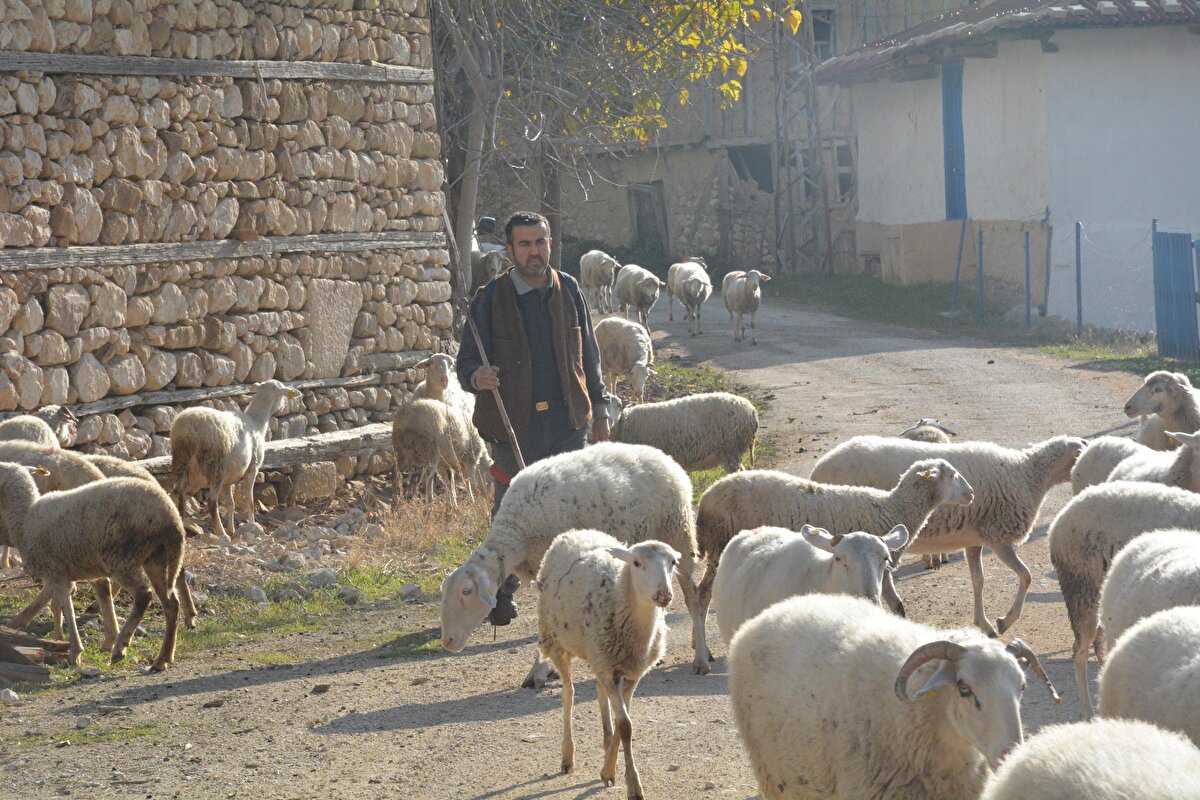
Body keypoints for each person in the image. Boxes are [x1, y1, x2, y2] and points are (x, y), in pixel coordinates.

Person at [456, 211, 611, 625]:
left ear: (550, 244)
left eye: (540, 242)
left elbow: (589, 358)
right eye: (524, 244)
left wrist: (600, 411)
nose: (534, 251)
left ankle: (576, 591)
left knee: (573, 511)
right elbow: (466, 362)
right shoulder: (490, 299)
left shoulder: (570, 289)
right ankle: (498, 595)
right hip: (512, 427)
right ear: (509, 251)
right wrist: (478, 375)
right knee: (509, 514)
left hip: (566, 424)